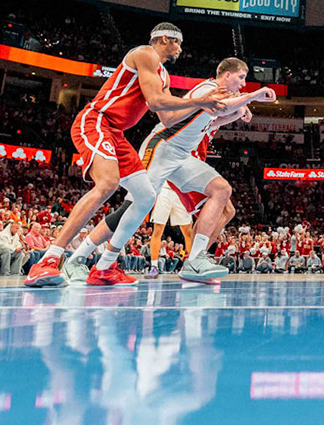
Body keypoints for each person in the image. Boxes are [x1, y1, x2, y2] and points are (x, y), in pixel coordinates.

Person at [24, 24, 220, 289]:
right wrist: (199, 101)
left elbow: (169, 117)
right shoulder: (145, 54)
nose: (181, 49)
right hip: (97, 121)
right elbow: (154, 102)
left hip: (116, 133)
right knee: (107, 184)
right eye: (179, 43)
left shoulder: (163, 75)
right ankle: (48, 260)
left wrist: (214, 110)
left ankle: (104, 267)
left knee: (146, 196)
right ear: (165, 39)